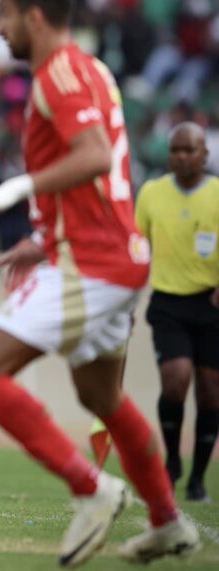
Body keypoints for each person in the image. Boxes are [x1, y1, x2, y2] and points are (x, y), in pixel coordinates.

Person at [0, 0, 199, 566]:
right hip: (109, 253)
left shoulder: (57, 74)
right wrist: (46, 234)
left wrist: (3, 195)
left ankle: (93, 489)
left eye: (4, 14)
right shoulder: (91, 70)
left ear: (34, 14)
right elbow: (107, 172)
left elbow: (91, 157)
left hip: (93, 265)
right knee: (100, 396)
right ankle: (167, 522)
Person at [135, 122, 219, 502]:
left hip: (210, 304)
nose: (181, 156)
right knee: (176, 380)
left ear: (205, 154)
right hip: (168, 301)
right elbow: (135, 248)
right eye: (175, 150)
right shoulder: (151, 194)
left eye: (189, 150)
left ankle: (198, 476)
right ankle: (172, 461)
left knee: (210, 394)